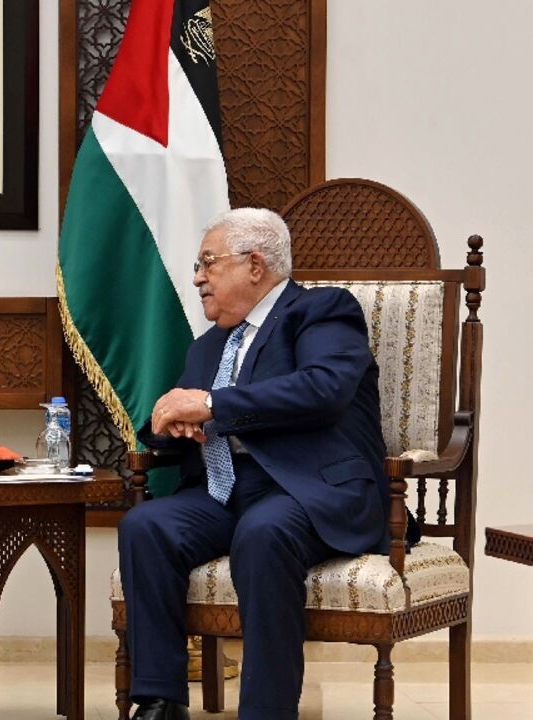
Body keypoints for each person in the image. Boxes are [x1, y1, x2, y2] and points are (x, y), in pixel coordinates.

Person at [118, 208, 398, 720]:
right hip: (226, 492)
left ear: (253, 264)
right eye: (197, 265)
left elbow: (324, 389)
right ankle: (159, 700)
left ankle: (266, 713)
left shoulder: (321, 312)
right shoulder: (207, 347)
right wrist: (169, 422)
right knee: (146, 525)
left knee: (263, 532)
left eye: (207, 262)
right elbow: (197, 413)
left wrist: (212, 405)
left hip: (308, 490)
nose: (197, 276)